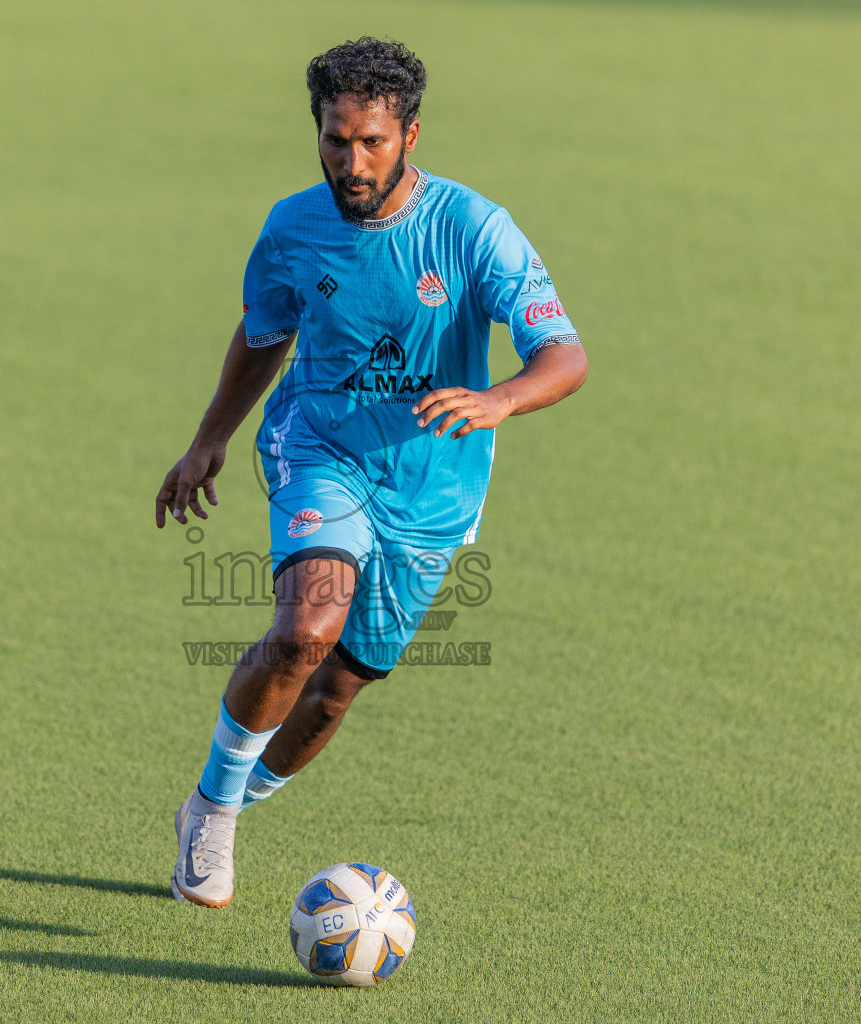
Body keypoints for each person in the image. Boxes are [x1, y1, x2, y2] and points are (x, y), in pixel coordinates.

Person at [154, 37, 587, 907]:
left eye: (371, 143)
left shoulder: (473, 230)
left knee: (336, 689)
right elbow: (266, 334)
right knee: (308, 626)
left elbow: (564, 354)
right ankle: (212, 810)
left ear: (411, 135)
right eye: (334, 140)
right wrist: (211, 437)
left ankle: (242, 795)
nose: (351, 163)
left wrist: (498, 400)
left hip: (434, 488)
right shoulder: (292, 228)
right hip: (320, 448)